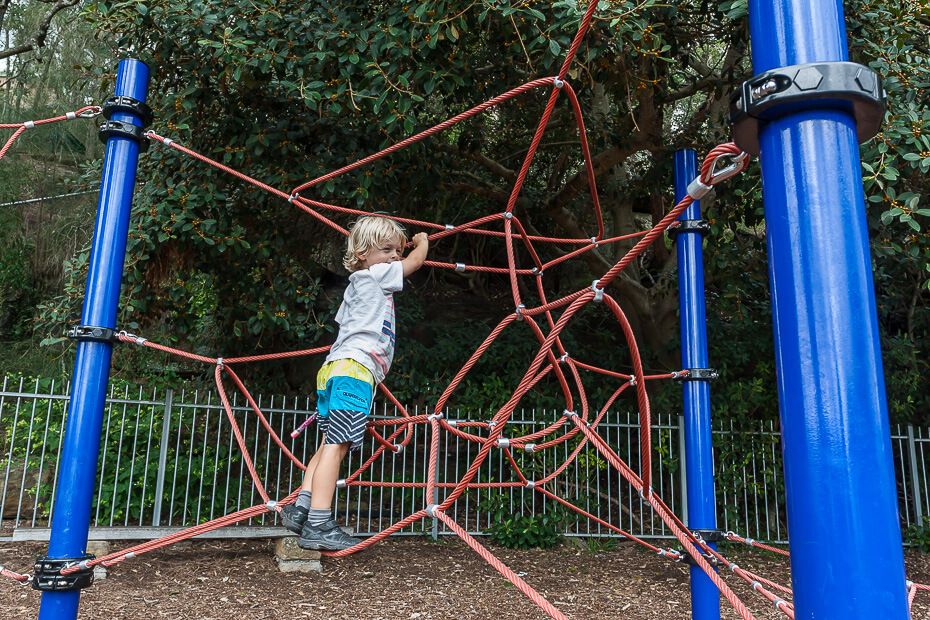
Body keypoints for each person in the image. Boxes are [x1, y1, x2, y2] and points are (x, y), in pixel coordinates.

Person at [281, 216, 429, 550]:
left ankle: (302, 508)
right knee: (339, 445)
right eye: (386, 249)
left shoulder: (355, 287)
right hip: (355, 371)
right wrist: (421, 243)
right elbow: (414, 262)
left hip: (334, 369)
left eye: (398, 250)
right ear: (362, 253)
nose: (394, 256)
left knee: (328, 443)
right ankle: (319, 522)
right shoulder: (376, 275)